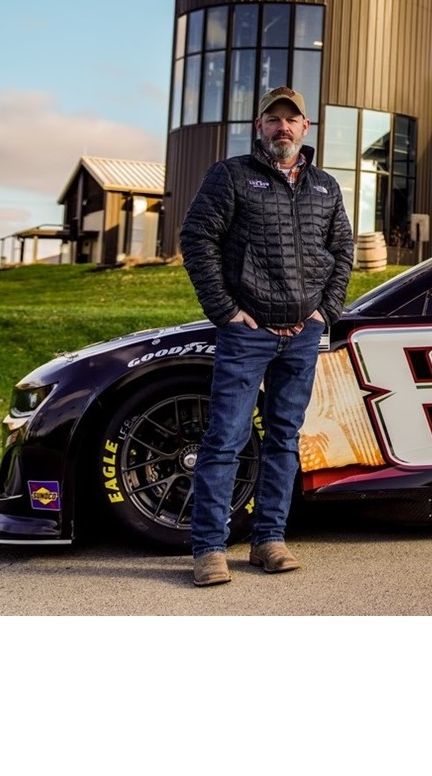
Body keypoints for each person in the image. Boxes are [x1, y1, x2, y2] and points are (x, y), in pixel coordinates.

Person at [179, 85, 353, 587]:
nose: (282, 127)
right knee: (225, 439)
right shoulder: (231, 176)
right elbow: (197, 238)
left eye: (291, 120)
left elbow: (342, 250)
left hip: (302, 335)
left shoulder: (325, 187)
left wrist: (326, 311)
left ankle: (268, 541)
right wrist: (225, 310)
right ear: (260, 127)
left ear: (306, 128)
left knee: (283, 440)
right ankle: (209, 549)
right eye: (273, 119)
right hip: (247, 334)